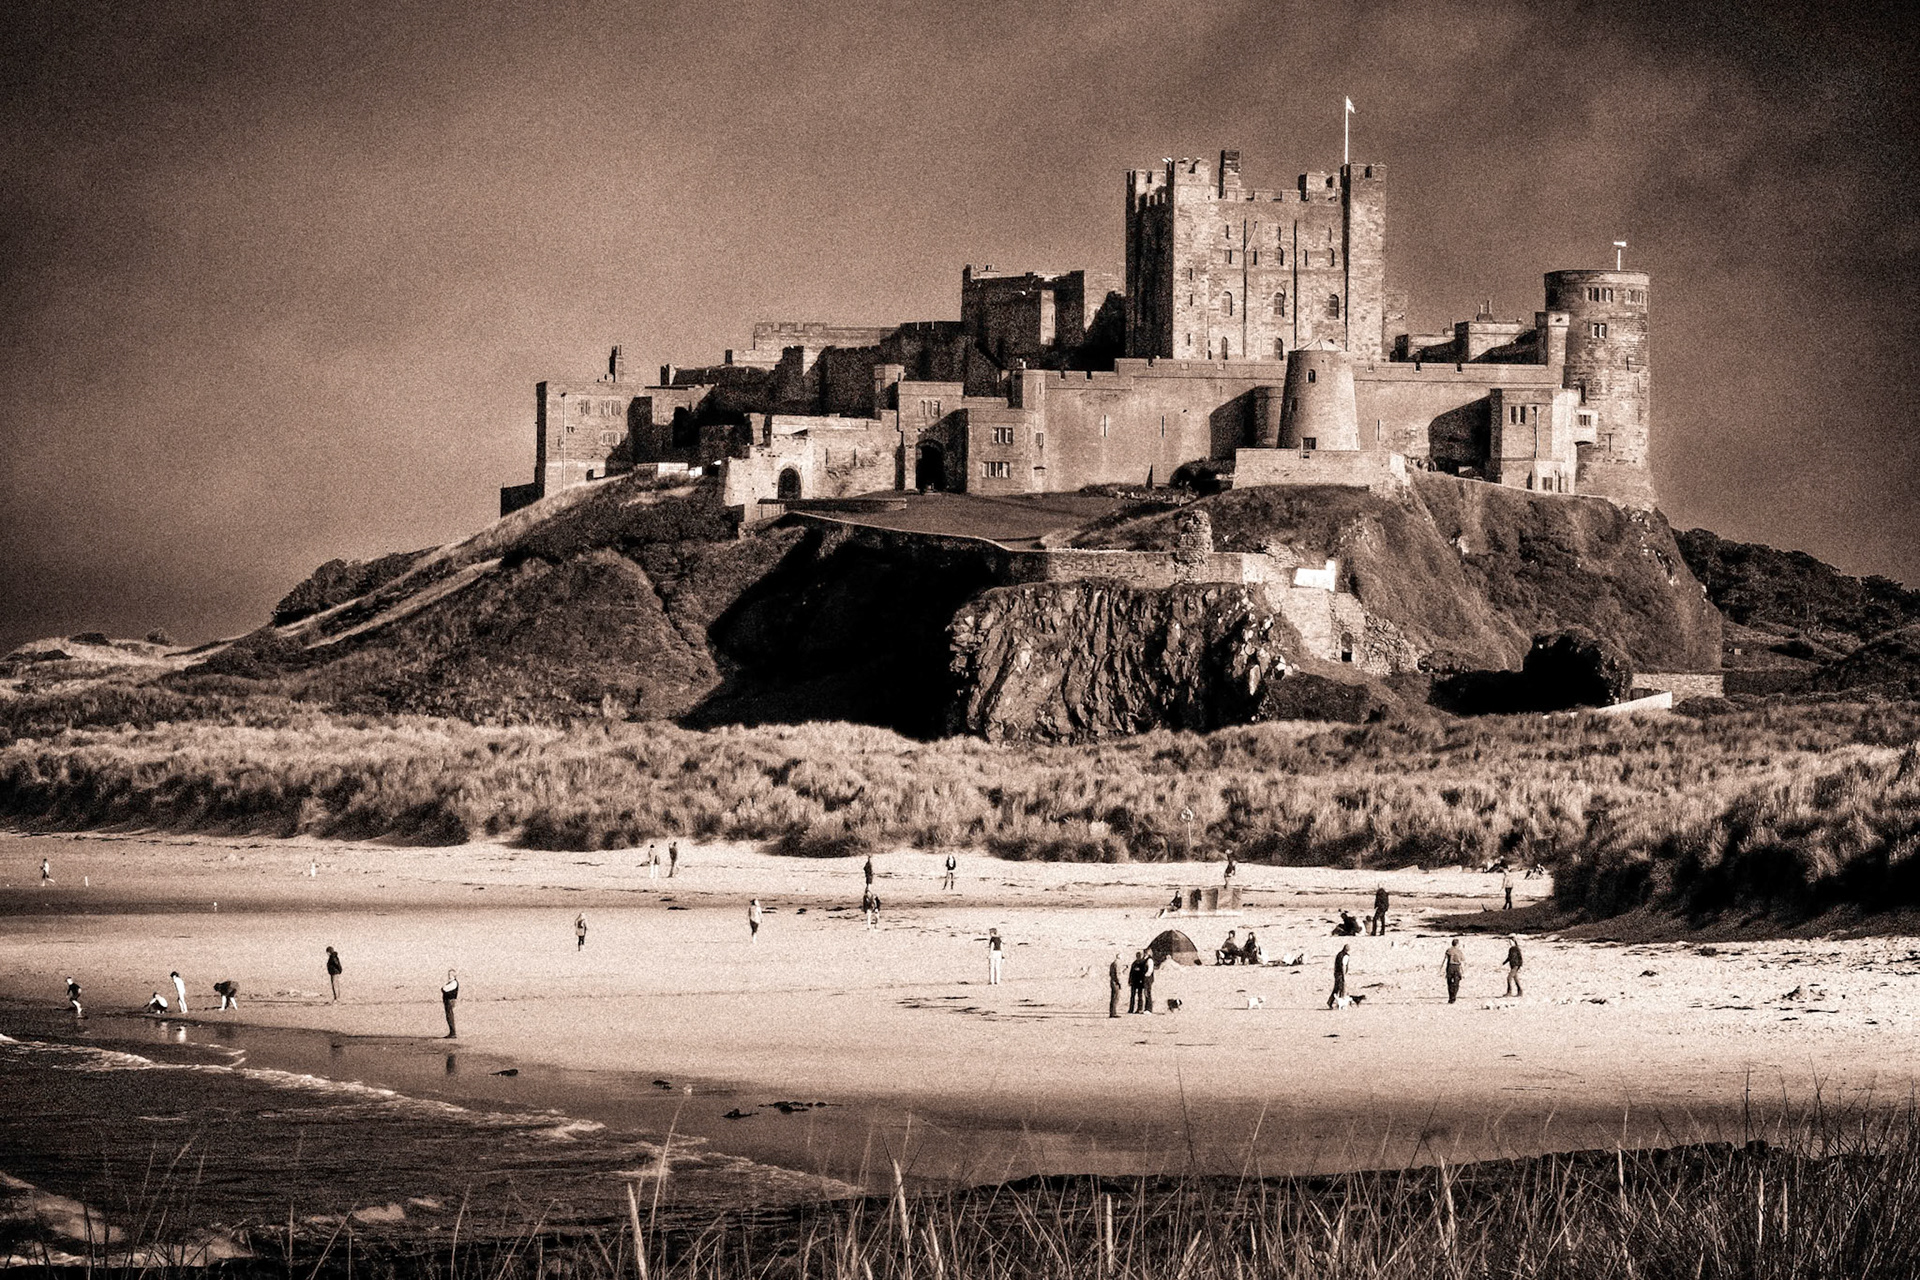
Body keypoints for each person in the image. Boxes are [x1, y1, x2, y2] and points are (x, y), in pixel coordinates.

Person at [1442, 940, 1466, 1004]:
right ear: (1457, 944)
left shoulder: (1449, 950)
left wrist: (1442, 969)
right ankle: (1454, 996)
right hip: (1456, 967)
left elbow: (1445, 960)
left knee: (1449, 983)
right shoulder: (1459, 952)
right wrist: (1463, 971)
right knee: (1456, 983)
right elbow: (1462, 961)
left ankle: (1450, 997)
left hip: (1450, 967)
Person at [1328, 943, 1351, 1008]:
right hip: (1340, 974)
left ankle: (1330, 1001)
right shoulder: (1345, 956)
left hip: (1336, 973)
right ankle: (1339, 1003)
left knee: (1336, 988)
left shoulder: (1339, 954)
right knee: (1342, 988)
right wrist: (1344, 976)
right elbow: (1343, 966)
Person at [441, 970, 459, 1037]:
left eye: (450, 975)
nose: (449, 976)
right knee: (449, 1016)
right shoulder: (451, 982)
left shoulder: (453, 983)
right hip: (448, 1000)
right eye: (448, 975)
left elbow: (444, 989)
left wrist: (444, 987)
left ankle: (453, 1033)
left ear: (454, 976)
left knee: (450, 1016)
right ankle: (452, 1032)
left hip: (450, 1001)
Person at [1108, 952, 1125, 1018]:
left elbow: (1111, 973)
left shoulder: (1113, 963)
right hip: (1115, 982)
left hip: (1112, 981)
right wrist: (1119, 982)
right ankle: (1113, 1013)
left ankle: (1112, 1012)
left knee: (1113, 997)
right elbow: (1118, 974)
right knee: (1116, 997)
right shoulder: (1117, 963)